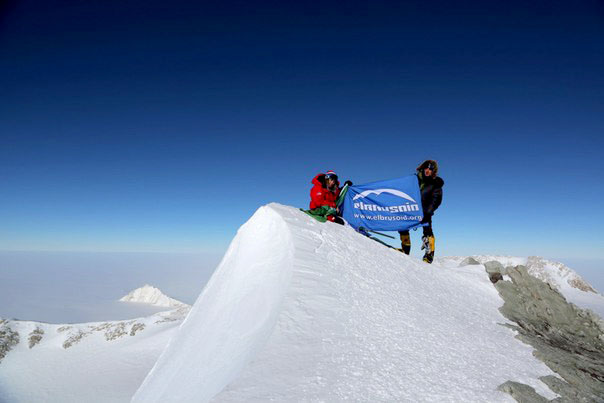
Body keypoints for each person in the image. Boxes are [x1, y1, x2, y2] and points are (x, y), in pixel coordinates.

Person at [398, 160, 444, 263]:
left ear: (433, 171)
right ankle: (405, 250)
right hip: (410, 209)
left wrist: (428, 211)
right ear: (422, 168)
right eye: (426, 168)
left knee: (427, 231)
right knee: (402, 226)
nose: (427, 170)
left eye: (430, 169)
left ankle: (429, 255)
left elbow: (436, 200)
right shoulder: (413, 180)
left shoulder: (435, 184)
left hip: (425, 211)